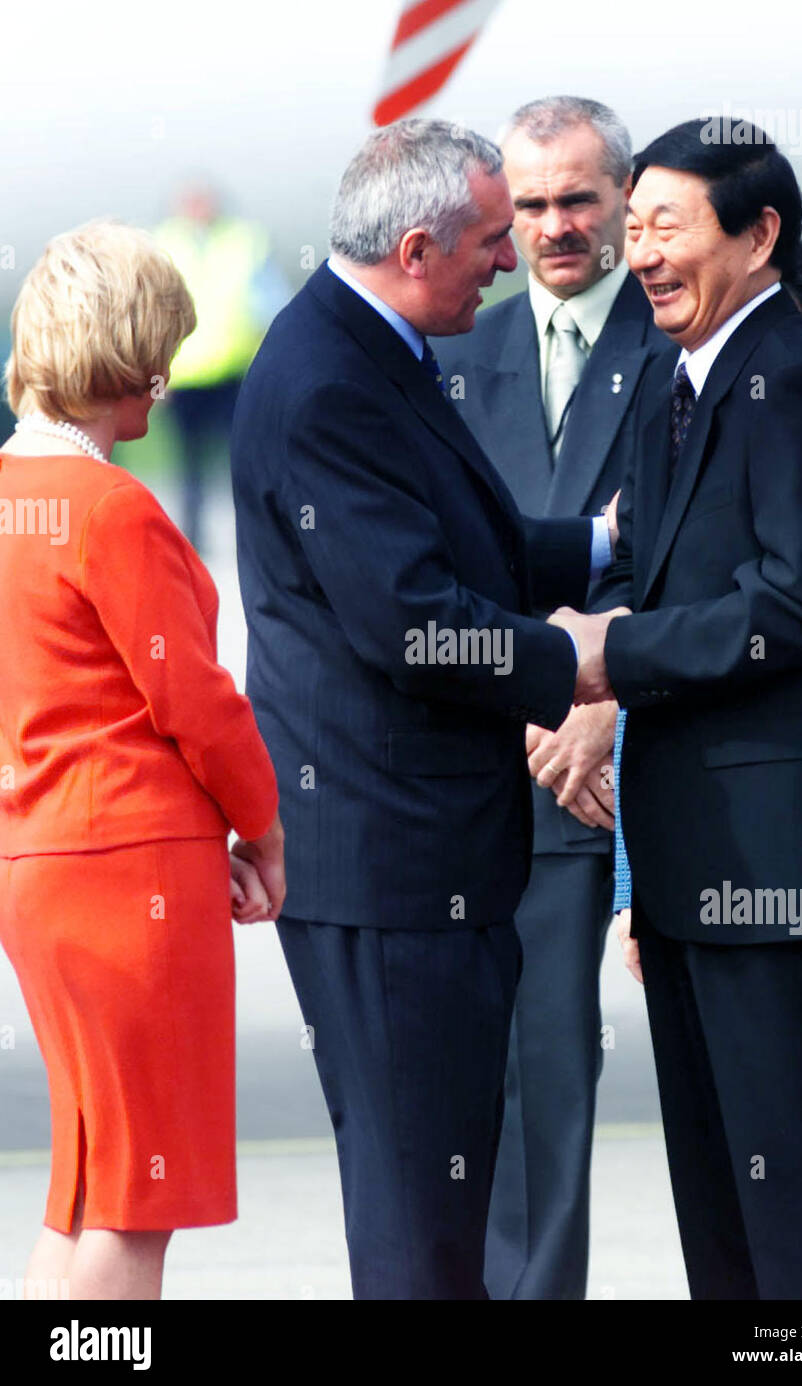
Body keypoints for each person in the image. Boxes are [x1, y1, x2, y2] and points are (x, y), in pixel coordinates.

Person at [231, 118, 616, 1300]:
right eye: (493, 238)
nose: (508, 260)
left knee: (438, 1201)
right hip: (391, 863)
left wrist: (603, 542)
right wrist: (585, 667)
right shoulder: (328, 384)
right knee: (417, 1221)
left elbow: (463, 541)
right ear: (415, 246)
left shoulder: (367, 342)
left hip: (412, 852)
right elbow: (412, 619)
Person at [550, 120, 802, 1299]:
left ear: (758, 236)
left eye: (669, 227)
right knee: (721, 1209)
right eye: (633, 225)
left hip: (777, 865)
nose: (640, 252)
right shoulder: (674, 373)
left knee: (801, 1211)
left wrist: (614, 654)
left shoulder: (793, 378)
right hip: (694, 863)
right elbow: (640, 553)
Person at [0, 220, 285, 1301]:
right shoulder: (110, 510)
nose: (167, 380)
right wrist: (260, 826)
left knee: (83, 1188)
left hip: (39, 865)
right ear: (118, 355)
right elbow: (197, 707)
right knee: (137, 1201)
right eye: (160, 349)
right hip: (128, 875)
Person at [435, 95, 665, 1301]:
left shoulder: (678, 336)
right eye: (527, 204)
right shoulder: (454, 351)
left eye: (577, 198)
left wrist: (600, 696)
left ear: (624, 197)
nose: (553, 226)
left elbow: (694, 552)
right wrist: (530, 693)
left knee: (589, 1083)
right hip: (498, 764)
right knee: (504, 1089)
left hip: (625, 770)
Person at [155, 183, 289, 553]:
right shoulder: (165, 243)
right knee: (189, 467)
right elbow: (150, 314)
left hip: (233, 373)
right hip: (184, 377)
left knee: (245, 460)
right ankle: (193, 543)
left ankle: (258, 533)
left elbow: (271, 304)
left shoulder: (244, 241)